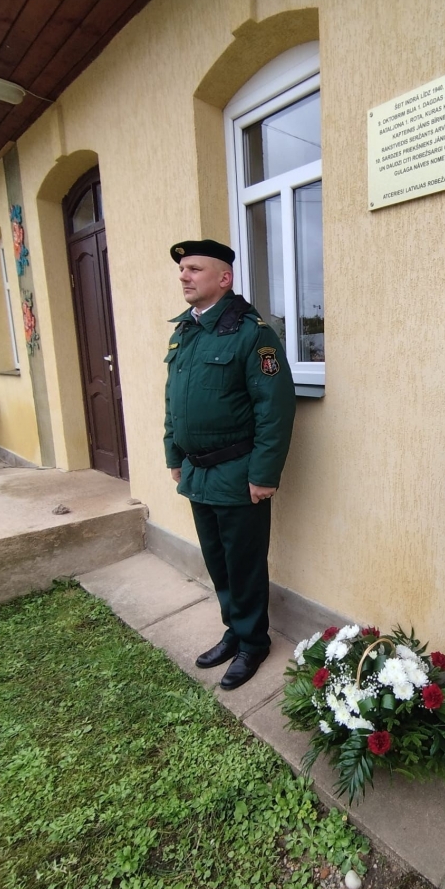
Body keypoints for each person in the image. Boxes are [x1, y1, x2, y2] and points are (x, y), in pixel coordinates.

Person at [164, 239, 295, 690]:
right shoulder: (186, 330)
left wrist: (264, 474)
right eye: (182, 269)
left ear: (224, 277)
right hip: (197, 472)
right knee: (218, 563)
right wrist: (174, 455)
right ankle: (235, 632)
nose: (184, 275)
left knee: (243, 565)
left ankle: (254, 643)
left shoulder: (252, 334)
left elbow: (275, 409)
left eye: (194, 269)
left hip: (239, 474)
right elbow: (173, 400)